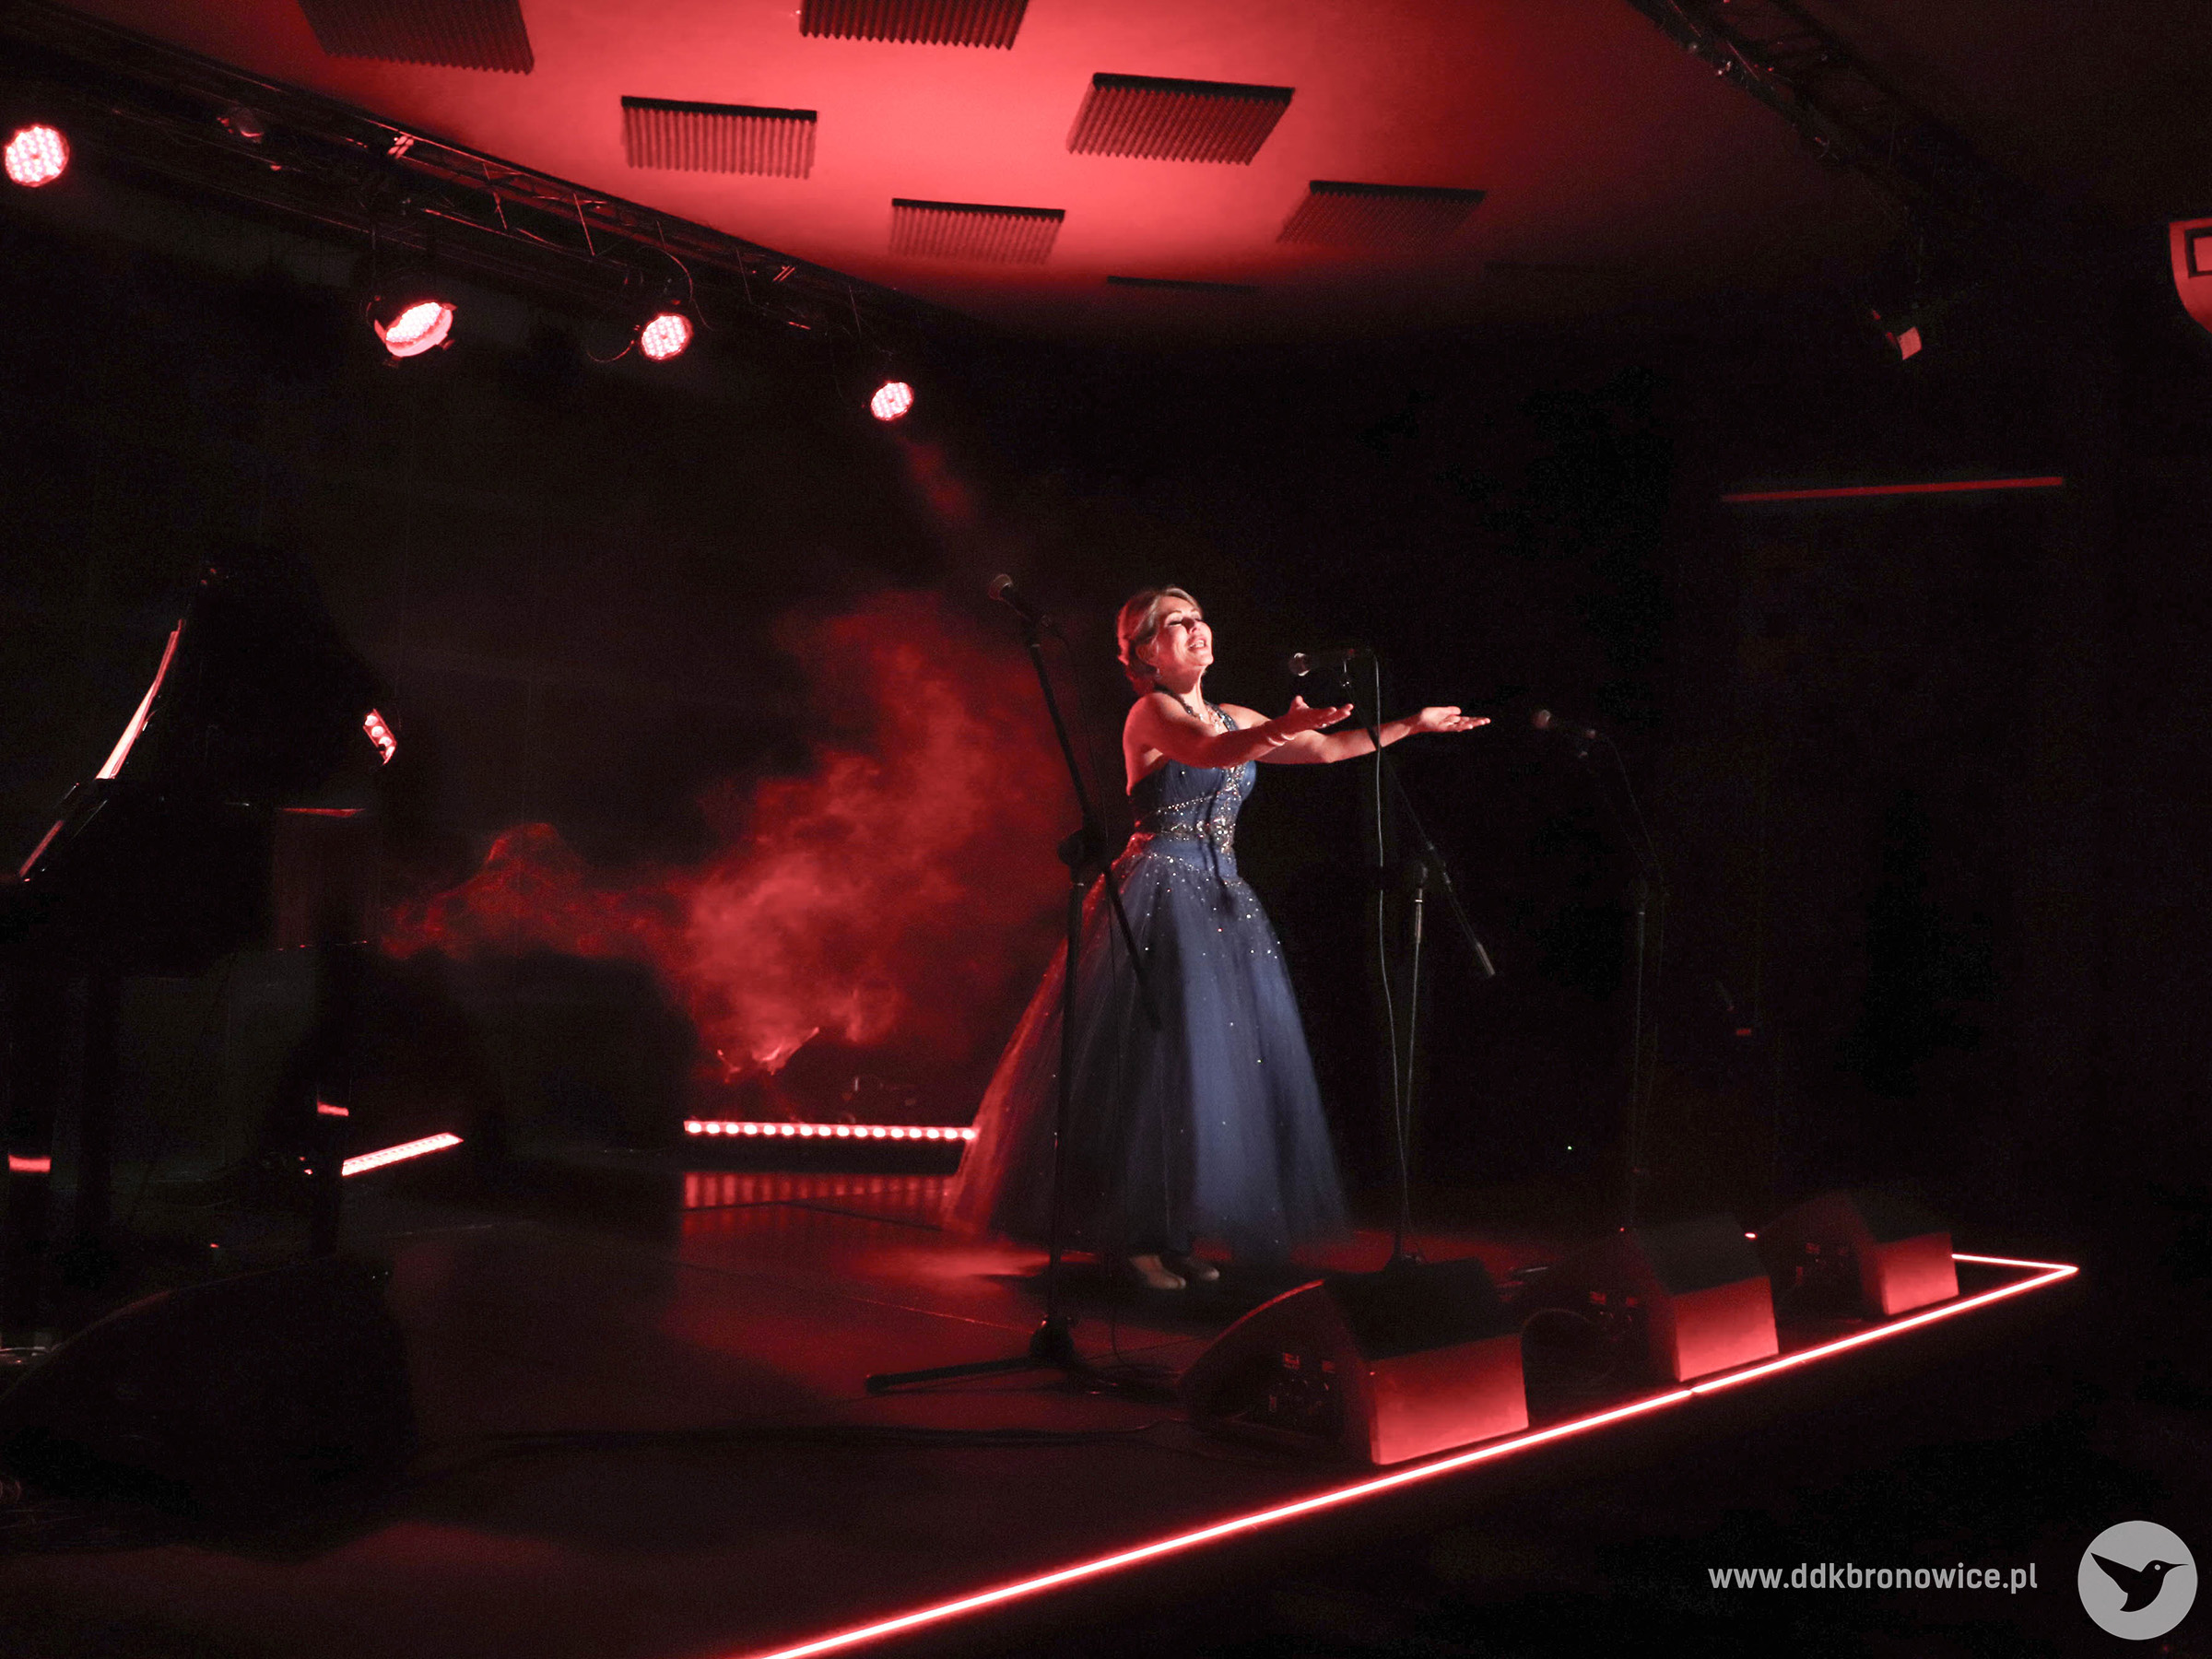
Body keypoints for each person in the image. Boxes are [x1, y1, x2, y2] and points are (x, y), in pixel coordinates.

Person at [948, 588, 1488, 1289]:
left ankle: (1173, 1232)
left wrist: (1411, 725)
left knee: (1202, 1069)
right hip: (1160, 891)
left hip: (1223, 896)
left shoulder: (1236, 713)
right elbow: (1210, 752)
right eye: (1176, 623)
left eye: (1198, 617)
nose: (1196, 628)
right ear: (1146, 651)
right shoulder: (1153, 712)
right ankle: (1131, 1236)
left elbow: (1327, 750)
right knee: (1153, 1064)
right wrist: (1280, 729)